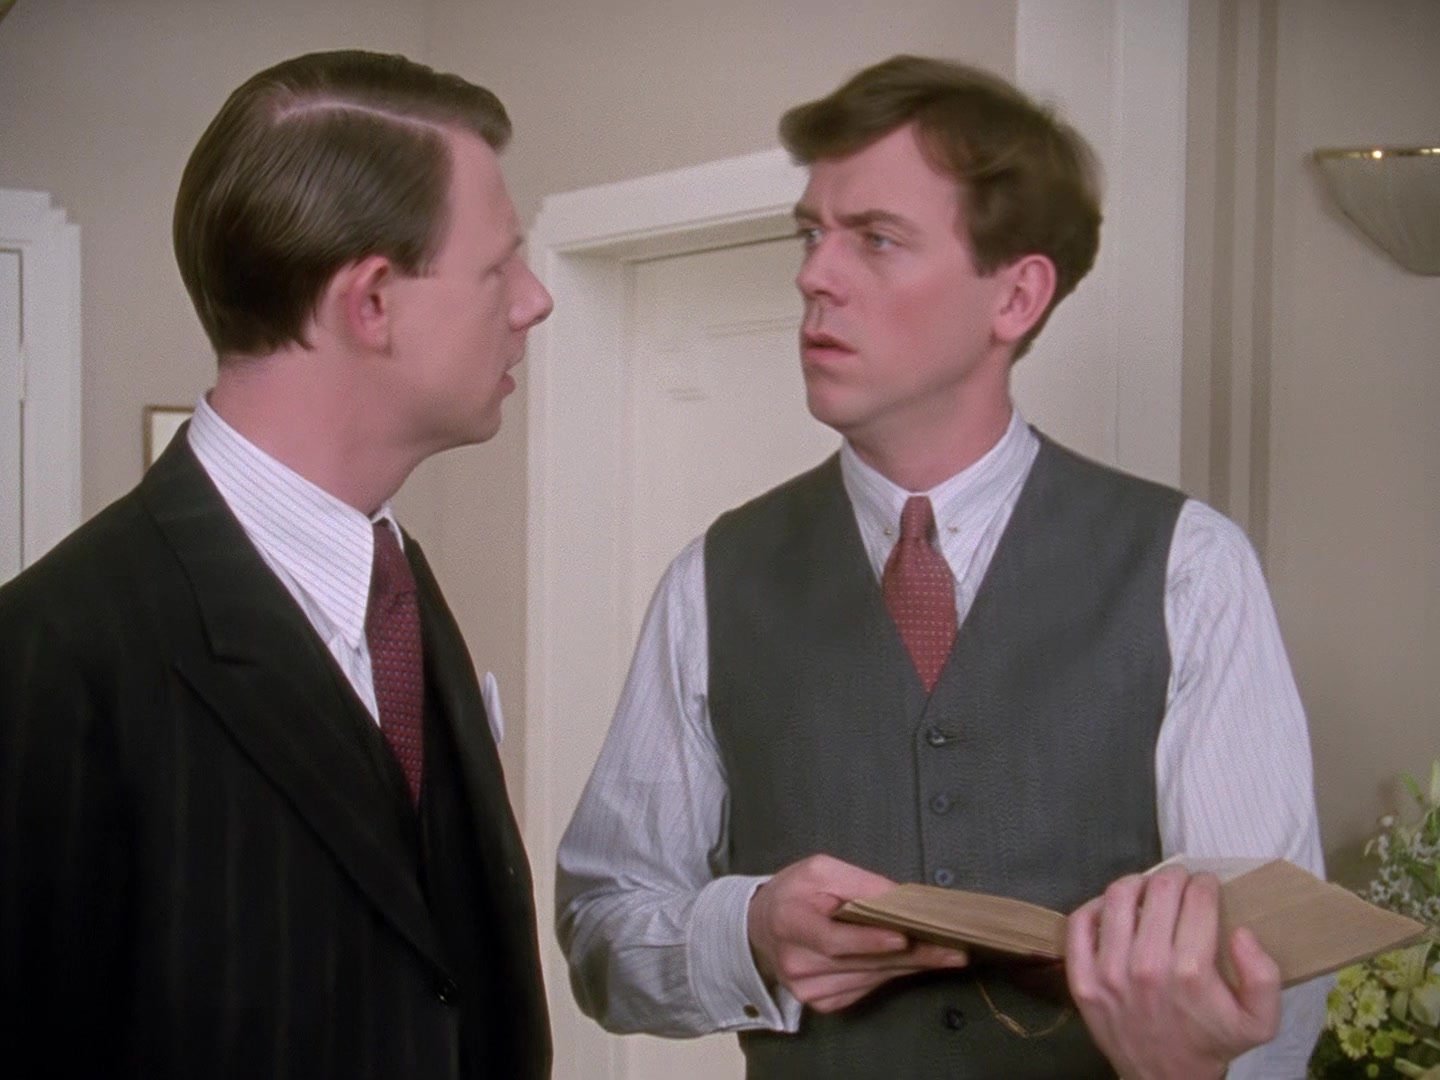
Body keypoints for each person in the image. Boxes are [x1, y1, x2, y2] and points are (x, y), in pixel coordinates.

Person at [557, 55, 1326, 1078]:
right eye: (812, 234)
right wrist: (747, 932)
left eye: (875, 239)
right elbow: (601, 929)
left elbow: (1273, 980)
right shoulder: (711, 579)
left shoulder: (1191, 568)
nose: (815, 275)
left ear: (1016, 295)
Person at [0, 50, 553, 1079]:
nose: (535, 301)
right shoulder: (49, 659)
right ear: (371, 302)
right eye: (498, 268)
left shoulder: (399, 591)